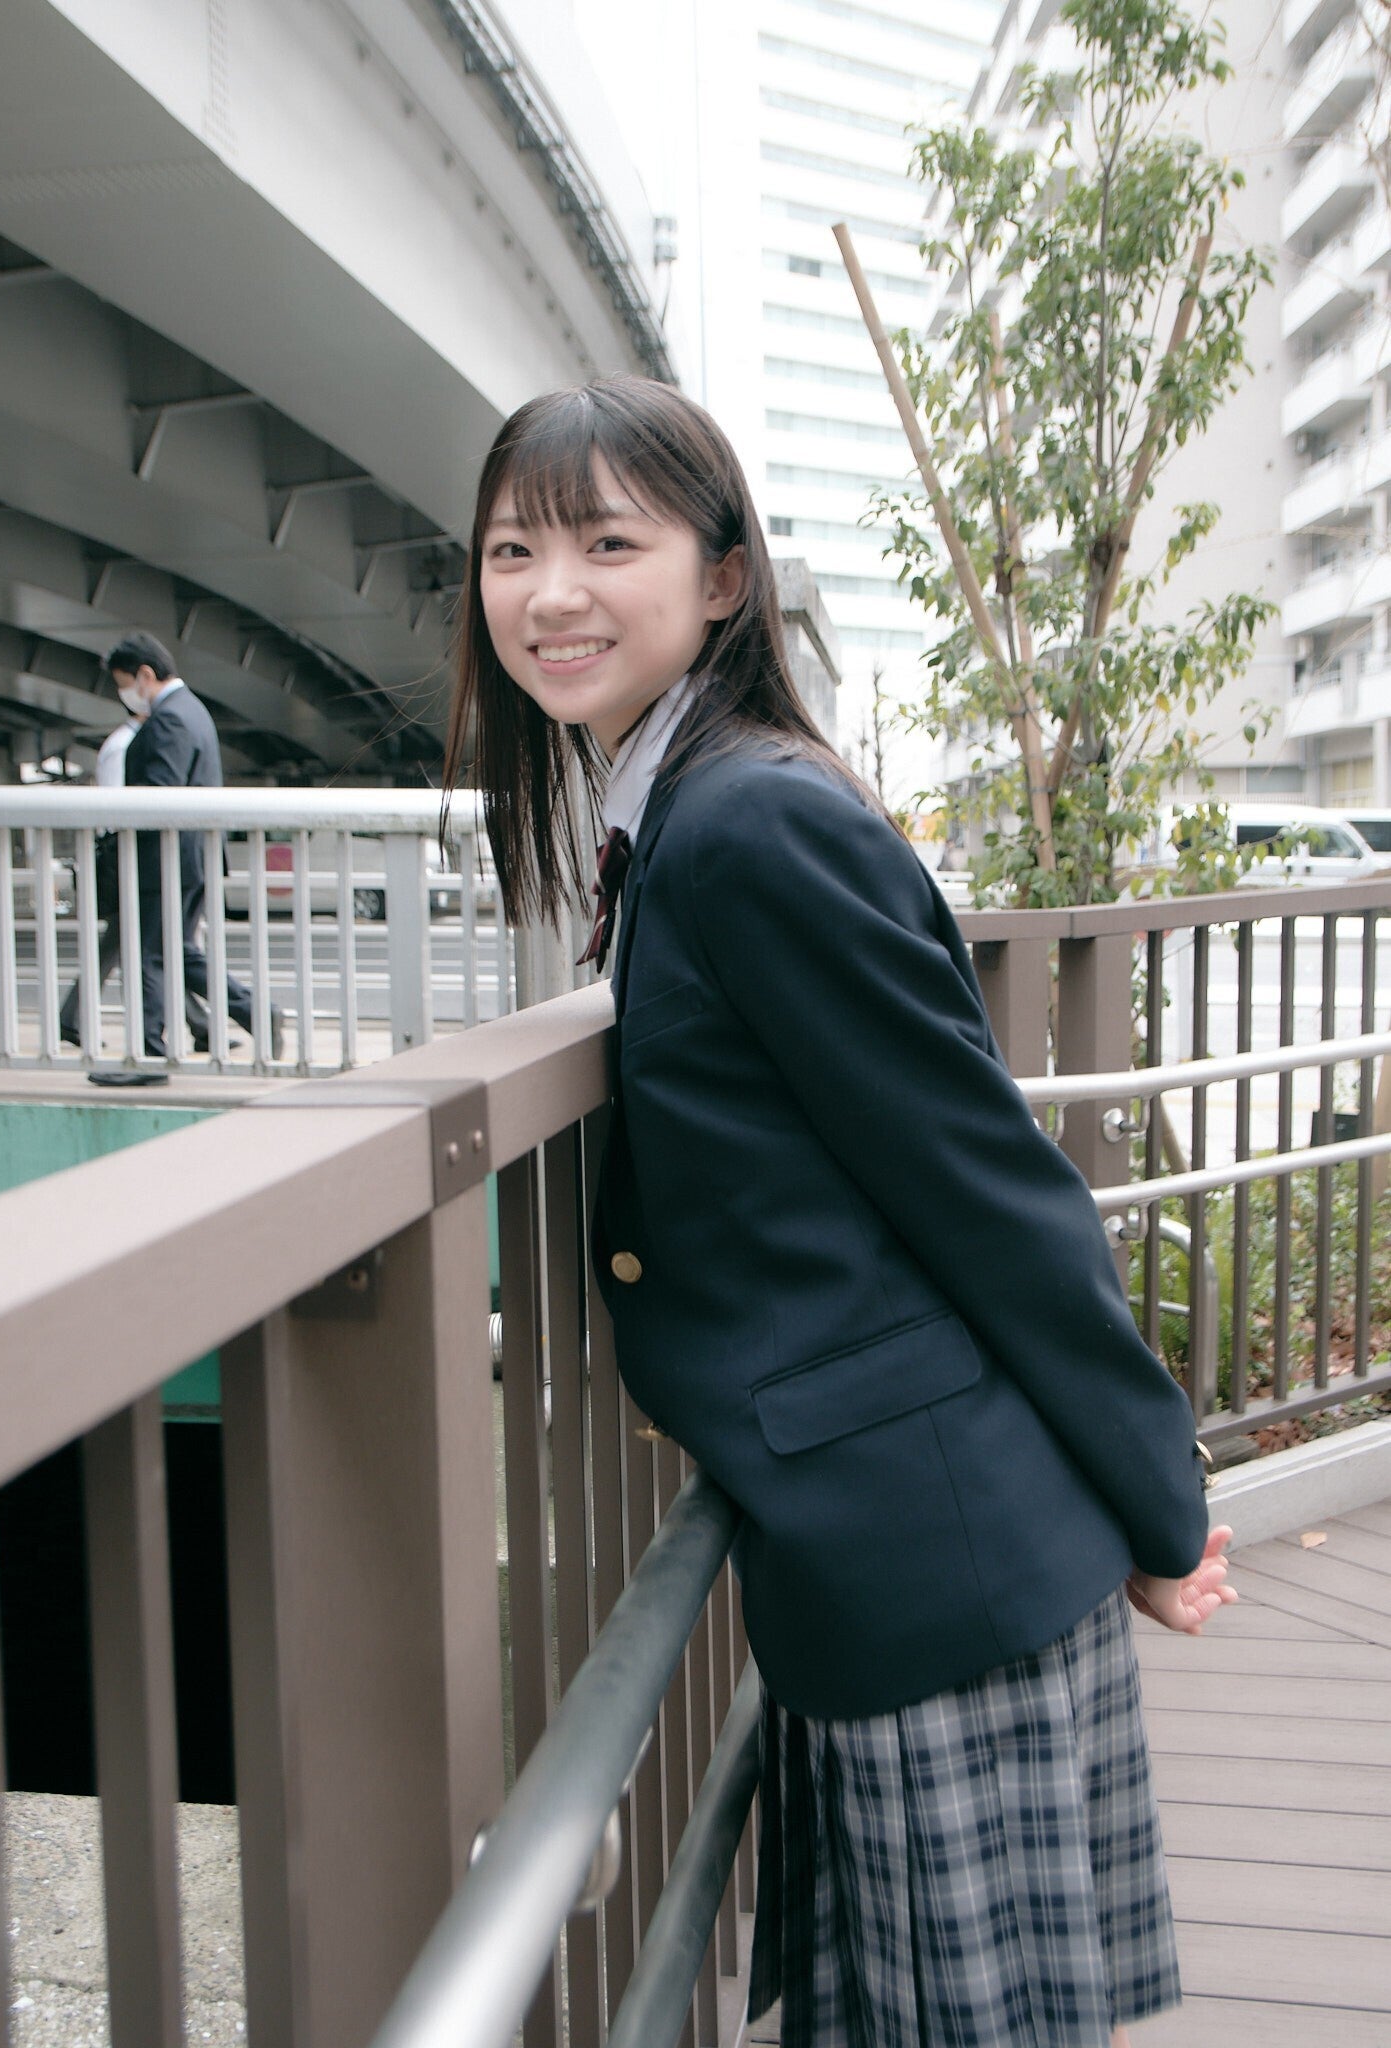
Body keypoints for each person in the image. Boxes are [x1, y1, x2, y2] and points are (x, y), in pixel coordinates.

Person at [444, 378, 1236, 2048]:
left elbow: (984, 1184)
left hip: (936, 1560)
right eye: (512, 551)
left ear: (721, 577)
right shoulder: (689, 806)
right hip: (905, 1543)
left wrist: (1160, 1507)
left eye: (606, 545)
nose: (549, 593)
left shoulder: (743, 822)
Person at [108, 632, 283, 1062]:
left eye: (123, 683)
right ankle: (256, 1013)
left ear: (144, 675)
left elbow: (160, 793)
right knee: (174, 952)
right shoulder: (192, 710)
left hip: (167, 859)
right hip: (190, 857)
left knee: (150, 955)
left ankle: (148, 1055)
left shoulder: (169, 719)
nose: (124, 694)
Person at [60, 710, 211, 1052]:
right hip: (128, 860)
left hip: (134, 859)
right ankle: (198, 1025)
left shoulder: (130, 741)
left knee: (138, 946)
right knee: (149, 947)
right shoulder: (125, 744)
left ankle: (71, 1018)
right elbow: (122, 808)